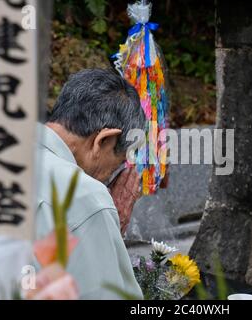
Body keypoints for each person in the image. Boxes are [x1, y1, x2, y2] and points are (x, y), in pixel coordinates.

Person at [35, 69, 146, 299]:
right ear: (104, 140)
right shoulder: (84, 195)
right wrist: (101, 216)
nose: (108, 177)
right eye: (117, 164)